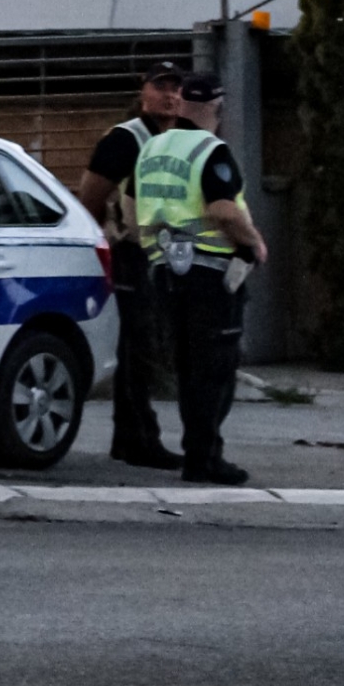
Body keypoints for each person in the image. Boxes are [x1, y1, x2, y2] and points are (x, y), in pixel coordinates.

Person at [132, 72, 267, 485]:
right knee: (214, 369)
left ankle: (198, 454)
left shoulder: (151, 149)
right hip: (209, 273)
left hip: (163, 271)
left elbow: (128, 205)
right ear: (217, 109)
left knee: (187, 368)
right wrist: (256, 244)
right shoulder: (213, 151)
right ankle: (204, 458)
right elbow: (224, 210)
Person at [75, 63, 185, 468]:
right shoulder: (125, 139)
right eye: (161, 87)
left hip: (163, 257)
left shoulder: (178, 140)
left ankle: (130, 436)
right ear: (144, 92)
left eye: (176, 87)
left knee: (145, 348)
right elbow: (89, 199)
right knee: (136, 349)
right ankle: (139, 437)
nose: (170, 95)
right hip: (129, 255)